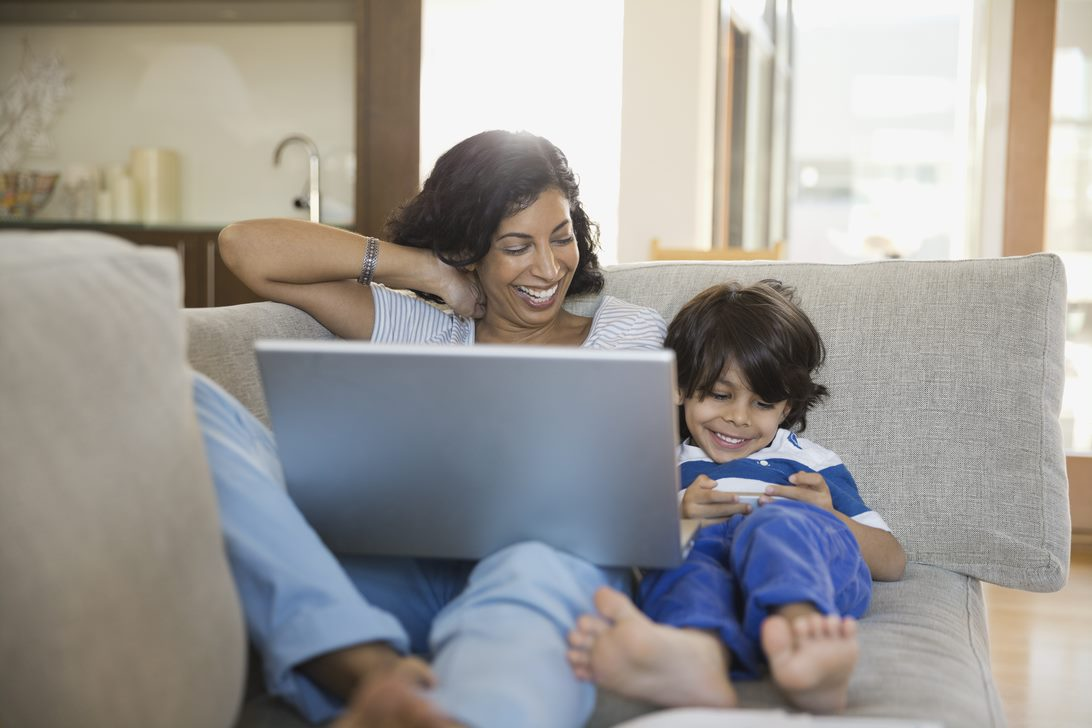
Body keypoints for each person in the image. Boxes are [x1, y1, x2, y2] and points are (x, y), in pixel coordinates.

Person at [200, 130, 667, 727]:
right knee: (191, 402)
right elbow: (245, 247)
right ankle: (370, 670)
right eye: (516, 246)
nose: (549, 267)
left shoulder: (626, 331)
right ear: (470, 249)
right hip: (406, 557)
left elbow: (617, 487)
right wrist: (427, 268)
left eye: (561, 237)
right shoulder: (419, 326)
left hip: (546, 556)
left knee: (529, 582)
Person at [566, 281, 906, 714]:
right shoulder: (659, 462)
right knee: (689, 558)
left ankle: (803, 638)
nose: (738, 418)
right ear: (679, 385)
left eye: (762, 403)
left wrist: (828, 515)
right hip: (718, 582)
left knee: (774, 524)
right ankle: (698, 658)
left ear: (786, 408)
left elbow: (892, 561)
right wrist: (680, 517)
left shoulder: (806, 462)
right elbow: (624, 550)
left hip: (801, 564)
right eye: (721, 395)